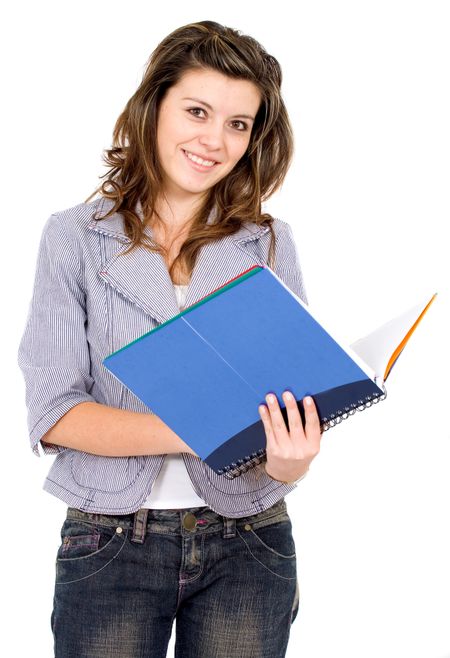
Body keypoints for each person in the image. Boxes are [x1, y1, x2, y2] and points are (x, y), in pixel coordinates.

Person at [17, 20, 322, 658]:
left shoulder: (266, 243)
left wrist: (289, 460)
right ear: (154, 107)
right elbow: (55, 410)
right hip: (109, 540)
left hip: (249, 537)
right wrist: (200, 426)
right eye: (198, 111)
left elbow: (285, 399)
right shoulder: (73, 238)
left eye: (239, 124)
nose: (215, 140)